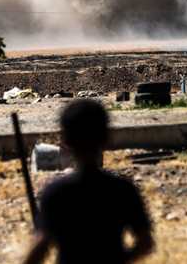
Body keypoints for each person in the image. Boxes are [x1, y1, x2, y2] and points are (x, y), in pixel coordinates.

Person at [25, 100, 154, 264]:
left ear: (66, 141)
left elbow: (41, 247)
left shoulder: (56, 192)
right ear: (106, 137)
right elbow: (145, 243)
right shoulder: (123, 189)